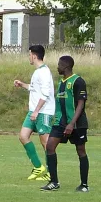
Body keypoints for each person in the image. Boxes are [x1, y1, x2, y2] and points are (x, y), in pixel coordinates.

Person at [40, 56, 90, 192]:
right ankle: (54, 182)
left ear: (66, 66)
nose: (57, 67)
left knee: (81, 151)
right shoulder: (61, 82)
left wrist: (71, 123)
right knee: (50, 147)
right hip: (60, 122)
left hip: (76, 123)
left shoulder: (78, 81)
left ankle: (84, 184)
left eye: (59, 65)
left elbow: (81, 103)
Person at [13, 45, 54, 181]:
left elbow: (45, 93)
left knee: (46, 143)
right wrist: (22, 84)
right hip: (34, 111)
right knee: (23, 136)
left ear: (34, 56)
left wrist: (37, 111)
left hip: (43, 112)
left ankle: (51, 173)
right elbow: (34, 88)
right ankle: (38, 167)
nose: (28, 57)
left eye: (29, 54)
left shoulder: (44, 72)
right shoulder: (37, 71)